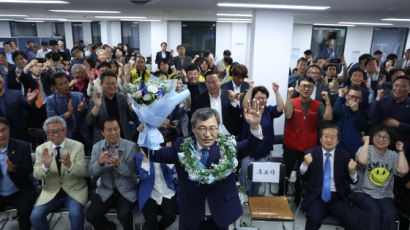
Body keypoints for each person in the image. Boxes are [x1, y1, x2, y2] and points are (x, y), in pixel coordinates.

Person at [148, 102, 264, 230]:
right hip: (191, 217)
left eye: (212, 128)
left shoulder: (227, 146)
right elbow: (155, 154)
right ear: (193, 128)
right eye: (202, 128)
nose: (207, 134)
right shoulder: (181, 146)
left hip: (220, 216)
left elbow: (251, 146)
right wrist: (146, 130)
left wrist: (254, 126)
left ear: (218, 128)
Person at [30, 116, 88, 230]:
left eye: (59, 131)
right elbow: (36, 174)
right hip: (51, 191)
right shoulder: (40, 149)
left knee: (76, 215)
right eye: (52, 132)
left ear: (65, 130)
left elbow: (83, 171)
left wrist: (69, 165)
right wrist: (45, 166)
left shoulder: (78, 146)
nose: (56, 135)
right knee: (35, 216)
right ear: (47, 133)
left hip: (74, 190)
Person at [280, 77, 332, 200]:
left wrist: (328, 100)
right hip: (291, 144)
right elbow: (287, 114)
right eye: (303, 86)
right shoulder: (292, 101)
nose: (306, 89)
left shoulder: (317, 104)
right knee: (285, 172)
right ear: (298, 88)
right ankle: (280, 197)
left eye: (309, 86)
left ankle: (298, 199)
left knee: (303, 174)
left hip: (308, 147)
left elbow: (328, 118)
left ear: (313, 89)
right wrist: (288, 96)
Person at [300, 123, 360, 230]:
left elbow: (354, 181)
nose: (329, 140)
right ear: (320, 139)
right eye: (326, 136)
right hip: (316, 196)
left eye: (333, 137)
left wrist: (352, 172)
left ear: (337, 141)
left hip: (337, 197)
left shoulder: (344, 156)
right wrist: (305, 165)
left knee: (353, 221)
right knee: (314, 219)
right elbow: (302, 177)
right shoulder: (310, 154)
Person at [353, 126, 409, 230]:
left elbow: (403, 171)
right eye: (378, 136)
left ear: (390, 140)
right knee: (374, 212)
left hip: (385, 195)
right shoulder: (364, 149)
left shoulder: (393, 155)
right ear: (372, 136)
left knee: (391, 215)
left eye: (385, 137)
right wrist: (366, 142)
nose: (381, 139)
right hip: (363, 192)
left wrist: (400, 150)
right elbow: (362, 161)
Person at [86, 118, 138, 230]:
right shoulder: (97, 147)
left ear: (120, 129)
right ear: (102, 132)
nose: (113, 133)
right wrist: (99, 163)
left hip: (126, 190)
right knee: (91, 215)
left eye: (116, 129)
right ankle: (109, 226)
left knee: (124, 215)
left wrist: (119, 164)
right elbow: (91, 172)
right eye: (109, 130)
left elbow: (131, 172)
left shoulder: (131, 146)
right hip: (106, 189)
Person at [240, 81, 284, 195]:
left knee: (259, 180)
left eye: (263, 98)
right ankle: (245, 198)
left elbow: (280, 107)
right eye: (257, 97)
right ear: (253, 98)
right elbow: (245, 103)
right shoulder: (249, 110)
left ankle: (255, 199)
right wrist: (250, 88)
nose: (260, 100)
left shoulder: (269, 110)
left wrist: (276, 91)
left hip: (264, 152)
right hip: (248, 152)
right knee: (246, 177)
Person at [0, 117, 37, 230]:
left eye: (3, 130)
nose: (1, 134)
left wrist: (14, 168)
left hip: (20, 191)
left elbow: (28, 169)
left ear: (9, 129)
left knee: (24, 214)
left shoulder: (22, 146)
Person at [86, 71, 138, 144]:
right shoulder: (95, 100)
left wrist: (131, 108)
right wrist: (97, 107)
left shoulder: (123, 98)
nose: (112, 86)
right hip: (102, 140)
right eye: (108, 84)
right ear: (101, 84)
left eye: (114, 83)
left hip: (123, 138)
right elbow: (89, 122)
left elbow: (134, 119)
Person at [136, 147, 178, 230]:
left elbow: (174, 174)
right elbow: (143, 177)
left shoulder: (165, 151)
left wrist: (169, 160)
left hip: (167, 191)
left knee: (170, 217)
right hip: (149, 194)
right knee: (150, 220)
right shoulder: (139, 155)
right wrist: (145, 159)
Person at [191, 71, 242, 137]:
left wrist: (233, 102)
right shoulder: (199, 99)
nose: (211, 85)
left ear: (220, 81)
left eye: (214, 82)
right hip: (207, 135)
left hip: (227, 135)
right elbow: (194, 120)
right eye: (208, 82)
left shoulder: (228, 95)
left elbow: (237, 117)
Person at [46, 72, 90, 148]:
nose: (65, 86)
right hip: (64, 136)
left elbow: (87, 116)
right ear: (54, 87)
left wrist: (83, 110)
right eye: (60, 84)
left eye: (66, 82)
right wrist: (67, 113)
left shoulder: (79, 95)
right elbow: (52, 121)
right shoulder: (50, 100)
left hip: (82, 134)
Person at [369, 76, 410, 151]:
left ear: (409, 89)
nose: (398, 89)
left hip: (401, 145)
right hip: (380, 142)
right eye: (396, 85)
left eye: (403, 86)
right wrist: (377, 99)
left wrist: (398, 124)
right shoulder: (384, 99)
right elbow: (371, 116)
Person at [0, 71, 37, 140]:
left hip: (19, 135)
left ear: (3, 78)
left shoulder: (16, 94)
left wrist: (29, 102)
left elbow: (28, 110)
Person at [333, 85, 367, 158]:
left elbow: (363, 127)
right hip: (337, 148)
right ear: (346, 96)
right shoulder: (339, 107)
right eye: (352, 96)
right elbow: (335, 114)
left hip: (354, 150)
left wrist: (356, 111)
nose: (354, 99)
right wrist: (340, 96)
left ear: (361, 99)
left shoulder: (363, 111)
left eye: (357, 97)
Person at [20, 58, 54, 129]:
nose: (38, 68)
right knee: (36, 127)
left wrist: (50, 67)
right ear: (31, 69)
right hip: (33, 105)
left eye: (40, 66)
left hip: (46, 104)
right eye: (36, 66)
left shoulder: (45, 75)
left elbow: (54, 75)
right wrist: (29, 64)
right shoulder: (27, 77)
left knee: (49, 125)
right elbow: (22, 76)